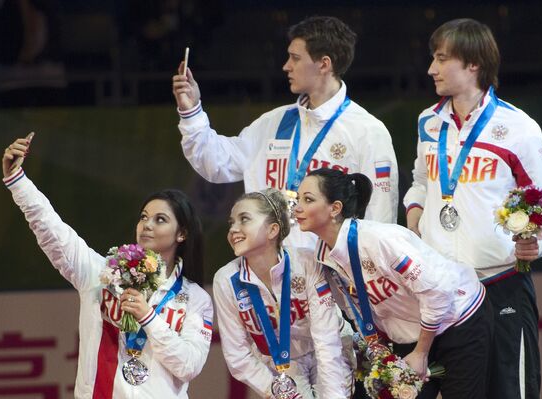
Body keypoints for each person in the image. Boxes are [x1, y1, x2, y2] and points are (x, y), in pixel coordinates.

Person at [403, 18, 542, 398]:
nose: (431, 69)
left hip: (500, 285)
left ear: (473, 63)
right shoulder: (429, 121)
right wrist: (413, 218)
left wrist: (535, 246)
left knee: (508, 391)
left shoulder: (518, 127)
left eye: (442, 59)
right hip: (440, 291)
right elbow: (421, 182)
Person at [2, 134, 213, 398]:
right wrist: (17, 182)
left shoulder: (195, 299)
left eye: (160, 220)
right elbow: (53, 231)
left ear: (181, 234)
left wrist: (148, 317)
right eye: (144, 217)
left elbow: (189, 365)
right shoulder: (102, 274)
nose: (147, 225)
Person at [172, 15, 398, 249]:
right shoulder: (272, 123)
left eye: (295, 58)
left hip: (331, 276)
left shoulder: (367, 130)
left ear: (324, 64)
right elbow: (216, 163)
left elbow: (380, 217)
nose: (286, 66)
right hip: (269, 268)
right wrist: (191, 112)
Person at [295, 168, 493, 399]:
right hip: (411, 334)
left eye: (308, 199)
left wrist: (421, 352)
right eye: (298, 199)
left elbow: (438, 292)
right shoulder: (323, 257)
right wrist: (375, 345)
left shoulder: (379, 241)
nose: (298, 207)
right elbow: (354, 307)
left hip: (460, 318)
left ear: (335, 208)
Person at [213, 188, 355, 399]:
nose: (234, 229)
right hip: (281, 366)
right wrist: (279, 391)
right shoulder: (226, 280)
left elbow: (326, 338)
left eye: (244, 220)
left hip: (326, 349)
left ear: (272, 230)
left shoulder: (307, 263)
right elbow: (237, 355)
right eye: (231, 222)